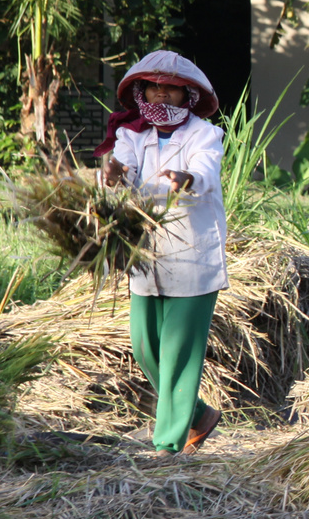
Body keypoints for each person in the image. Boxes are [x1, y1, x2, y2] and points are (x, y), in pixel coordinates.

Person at [96, 51, 228, 454]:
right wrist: (114, 174)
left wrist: (186, 177)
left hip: (192, 256)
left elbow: (204, 172)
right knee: (144, 346)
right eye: (154, 87)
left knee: (178, 356)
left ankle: (167, 446)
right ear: (141, 91)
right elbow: (123, 171)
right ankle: (199, 415)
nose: (162, 95)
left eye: (170, 88)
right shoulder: (131, 135)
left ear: (187, 94)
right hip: (146, 255)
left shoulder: (206, 135)